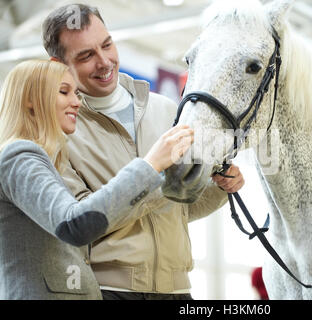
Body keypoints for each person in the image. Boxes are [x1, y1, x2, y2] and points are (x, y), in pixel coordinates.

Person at [42, 4, 245, 300]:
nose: (104, 62)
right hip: (108, 291)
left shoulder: (165, 108)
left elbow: (179, 208)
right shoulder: (56, 131)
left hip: (178, 290)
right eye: (86, 56)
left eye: (107, 45)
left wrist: (220, 187)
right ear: (58, 64)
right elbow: (83, 221)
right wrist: (151, 169)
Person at [0, 59, 194, 299]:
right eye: (63, 92)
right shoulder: (19, 157)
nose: (76, 102)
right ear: (30, 99)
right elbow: (75, 225)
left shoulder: (48, 161)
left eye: (76, 93)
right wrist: (150, 165)